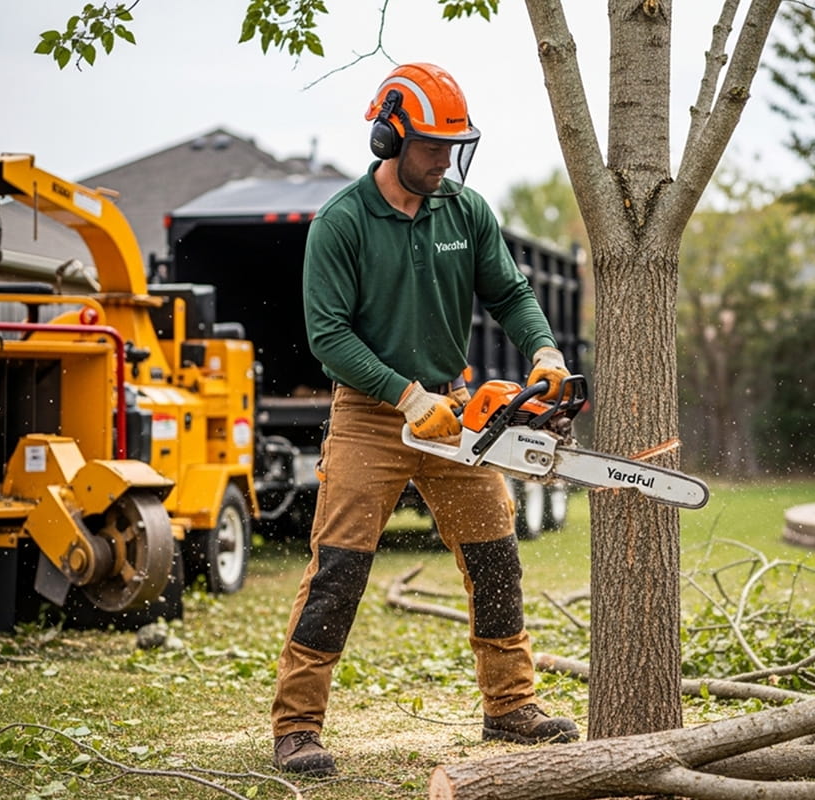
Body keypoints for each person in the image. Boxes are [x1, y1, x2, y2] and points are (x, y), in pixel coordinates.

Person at [270, 62, 579, 776]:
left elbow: (510, 289)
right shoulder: (340, 223)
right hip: (371, 416)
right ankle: (297, 726)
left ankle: (510, 706)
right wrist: (405, 397)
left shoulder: (463, 210)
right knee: (339, 569)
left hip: (456, 411)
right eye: (431, 146)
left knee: (494, 557)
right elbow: (328, 335)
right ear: (390, 138)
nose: (443, 160)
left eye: (452, 146)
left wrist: (542, 348)